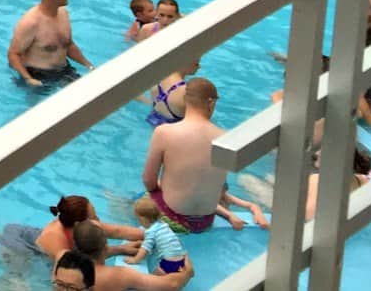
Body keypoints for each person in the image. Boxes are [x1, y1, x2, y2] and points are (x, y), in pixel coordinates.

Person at [138, 78, 267, 232]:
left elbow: (148, 180)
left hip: (171, 219)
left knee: (140, 199)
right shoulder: (225, 137)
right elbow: (217, 189)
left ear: (185, 100)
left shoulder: (164, 132)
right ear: (211, 103)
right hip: (204, 222)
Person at [9, 0, 92, 87]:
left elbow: (68, 45)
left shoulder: (64, 14)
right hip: (37, 74)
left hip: (64, 70)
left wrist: (88, 65)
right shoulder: (30, 23)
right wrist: (28, 79)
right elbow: (13, 54)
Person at [69, 220, 194, 290]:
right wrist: (186, 273)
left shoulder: (64, 265)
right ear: (105, 244)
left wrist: (120, 249)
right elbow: (171, 285)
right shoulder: (118, 275)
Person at [35, 194, 142, 260]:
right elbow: (69, 274)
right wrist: (120, 249)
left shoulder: (78, 223)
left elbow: (118, 231)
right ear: (78, 224)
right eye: (93, 217)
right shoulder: (56, 239)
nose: (98, 220)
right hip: (29, 248)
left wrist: (153, 233)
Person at [131, 195, 188, 274]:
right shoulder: (163, 224)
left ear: (143, 219)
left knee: (151, 278)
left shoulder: (151, 231)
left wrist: (134, 260)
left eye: (138, 219)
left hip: (169, 263)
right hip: (181, 260)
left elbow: (145, 249)